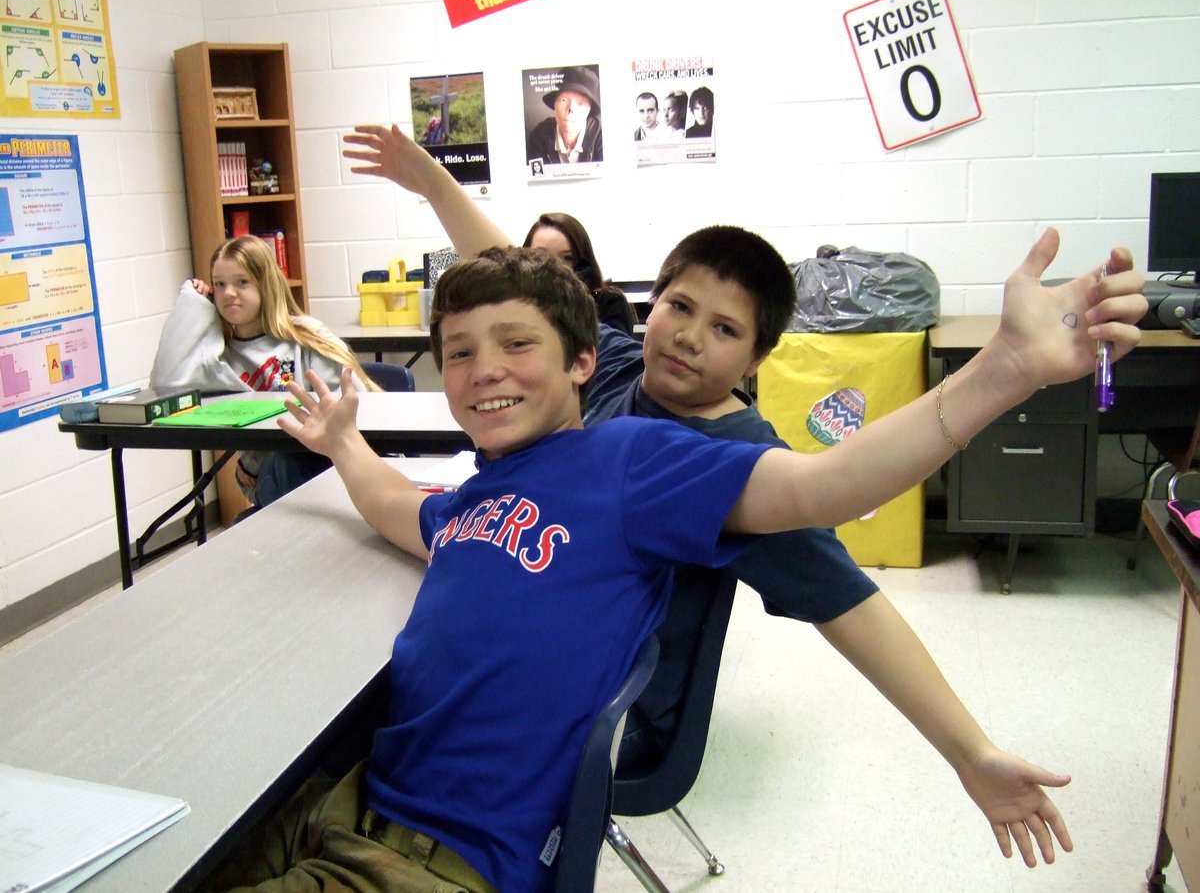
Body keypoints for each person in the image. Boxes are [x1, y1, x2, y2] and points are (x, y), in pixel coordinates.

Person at [209, 229, 1143, 893]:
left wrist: (1005, 371)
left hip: (438, 859)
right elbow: (396, 511)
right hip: (348, 801)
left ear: (581, 364)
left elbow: (833, 487)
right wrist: (342, 444)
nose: (484, 368)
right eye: (458, 354)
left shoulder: (635, 462)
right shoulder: (481, 493)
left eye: (515, 347)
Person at [150, 234, 378, 511]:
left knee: (298, 458)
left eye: (241, 282)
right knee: (290, 462)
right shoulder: (216, 357)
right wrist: (192, 304)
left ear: (265, 284)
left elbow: (360, 400)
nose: (228, 293)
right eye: (219, 284)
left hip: (326, 458)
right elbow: (165, 384)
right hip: (269, 472)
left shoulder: (305, 335)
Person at [522, 211, 637, 335]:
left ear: (583, 263)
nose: (553, 265)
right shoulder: (516, 303)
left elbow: (612, 350)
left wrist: (572, 296)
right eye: (542, 256)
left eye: (567, 258)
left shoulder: (609, 302)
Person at [525, 65, 603, 165]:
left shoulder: (602, 135)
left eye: (580, 103)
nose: (571, 109)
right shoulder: (539, 136)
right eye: (564, 100)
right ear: (555, 104)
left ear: (589, 109)